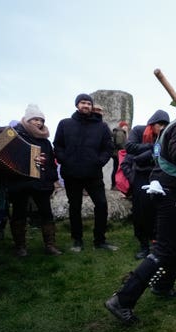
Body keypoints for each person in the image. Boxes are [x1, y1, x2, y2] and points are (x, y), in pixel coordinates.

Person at [105, 88, 176, 323]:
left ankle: (163, 285)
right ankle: (122, 300)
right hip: (169, 191)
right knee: (164, 248)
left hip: (175, 191)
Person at [53, 93, 117, 252]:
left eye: (89, 103)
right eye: (82, 103)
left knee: (101, 205)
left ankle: (100, 240)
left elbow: (108, 148)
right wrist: (64, 159)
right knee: (75, 206)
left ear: (92, 106)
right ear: (77, 105)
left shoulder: (101, 127)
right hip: (71, 173)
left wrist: (99, 161)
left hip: (93, 173)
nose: (86, 106)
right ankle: (77, 240)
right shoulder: (65, 124)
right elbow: (58, 145)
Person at [8, 104, 61, 256]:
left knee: (46, 213)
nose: (39, 123)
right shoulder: (14, 134)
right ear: (27, 120)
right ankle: (20, 246)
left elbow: (51, 162)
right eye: (35, 119)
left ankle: (50, 245)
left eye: (41, 120)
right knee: (19, 213)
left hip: (41, 182)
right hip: (19, 181)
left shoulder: (45, 140)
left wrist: (52, 180)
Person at [124, 110, 170, 259]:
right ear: (152, 123)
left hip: (159, 176)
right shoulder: (138, 131)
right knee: (140, 212)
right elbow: (129, 148)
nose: (162, 127)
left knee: (158, 212)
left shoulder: (165, 136)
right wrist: (151, 147)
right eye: (159, 124)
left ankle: (156, 243)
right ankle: (144, 245)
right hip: (140, 177)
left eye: (165, 125)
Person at [110, 121, 128, 190]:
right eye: (125, 126)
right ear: (122, 126)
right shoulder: (120, 132)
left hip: (115, 153)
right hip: (118, 154)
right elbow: (119, 143)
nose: (126, 128)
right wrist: (125, 149)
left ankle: (114, 185)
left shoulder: (118, 131)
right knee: (116, 169)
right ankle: (114, 185)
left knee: (115, 169)